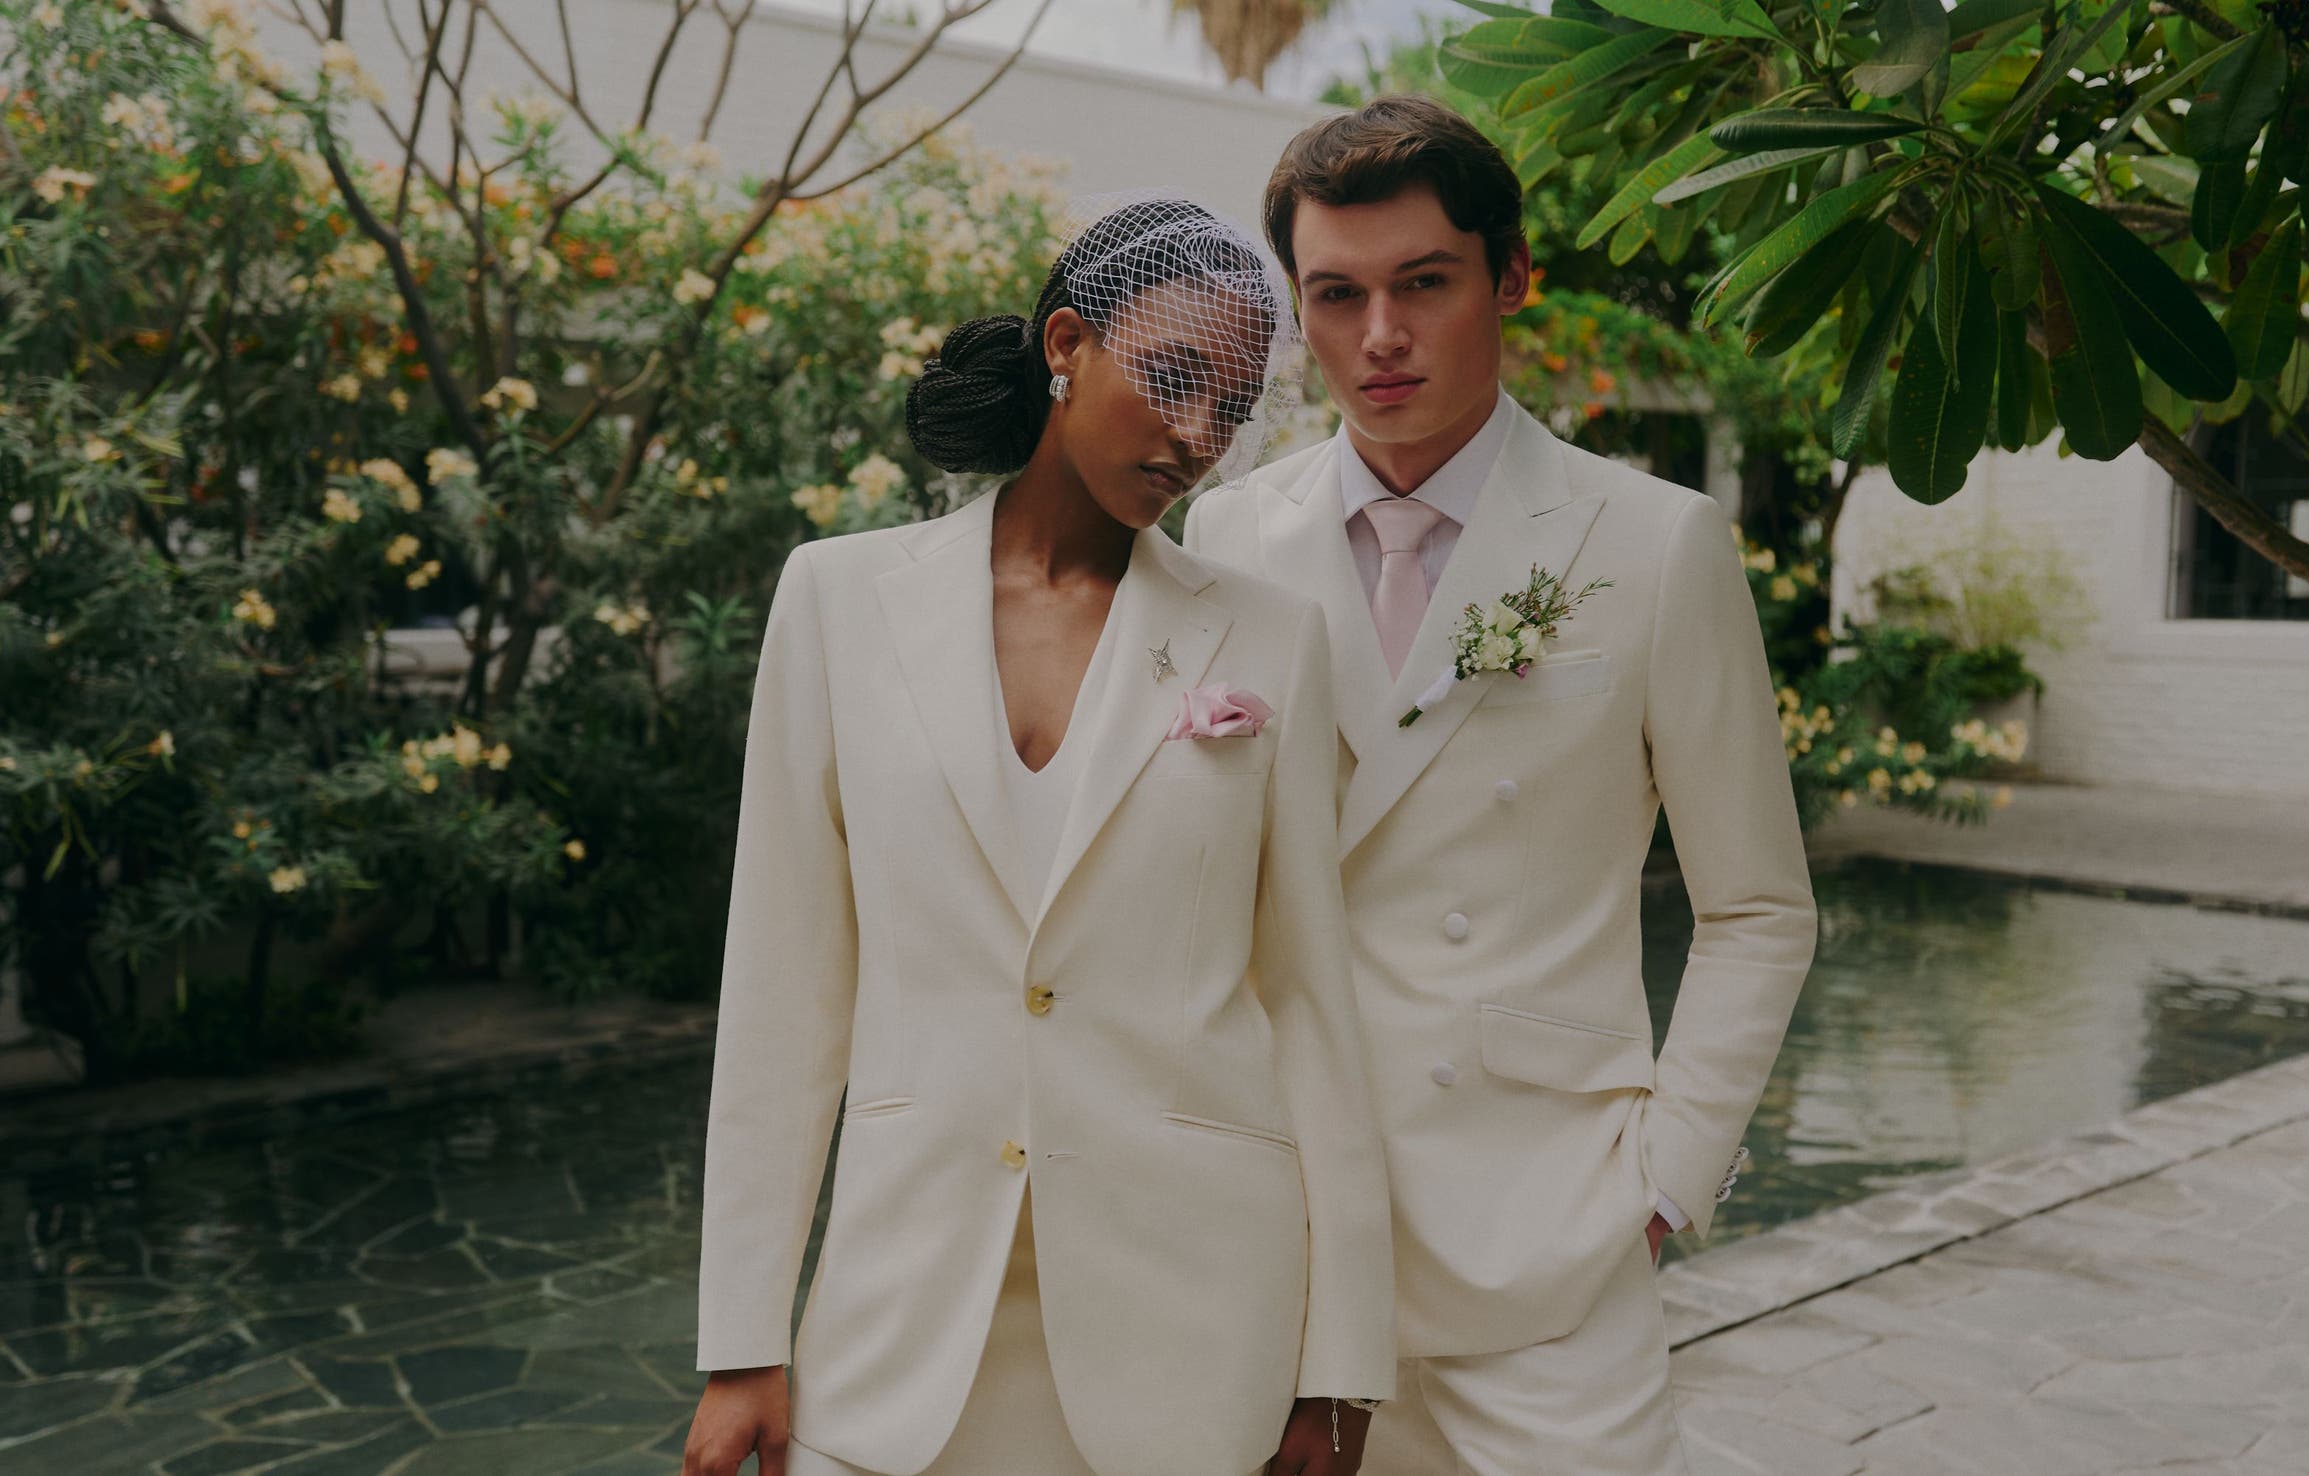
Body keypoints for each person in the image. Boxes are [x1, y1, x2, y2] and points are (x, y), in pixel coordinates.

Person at [682, 197, 1395, 1476]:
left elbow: (1309, 1010)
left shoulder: (1271, 638)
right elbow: (782, 992)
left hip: (1192, 1326)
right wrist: (742, 1341)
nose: (1196, 436)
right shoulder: (836, 601)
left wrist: (1337, 1366)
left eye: (1229, 408)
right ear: (1066, 344)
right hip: (898, 1329)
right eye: (1173, 376)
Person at [1185, 98, 1818, 1475]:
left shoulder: (1655, 543)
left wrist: (1663, 1187)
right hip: (1286, 1234)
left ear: (1510, 276)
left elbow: (1761, 906)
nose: (1382, 338)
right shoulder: (1226, 537)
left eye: (1425, 282)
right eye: (1337, 296)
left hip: (1549, 1247)